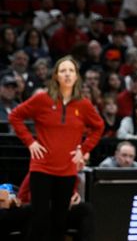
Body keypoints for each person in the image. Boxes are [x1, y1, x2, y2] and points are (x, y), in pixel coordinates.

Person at [8, 56, 103, 241]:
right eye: (63, 71)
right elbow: (15, 116)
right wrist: (30, 142)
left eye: (71, 71)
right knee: (39, 219)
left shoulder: (83, 105)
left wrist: (83, 150)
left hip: (67, 170)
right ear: (56, 76)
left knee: (61, 220)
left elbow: (99, 127)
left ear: (76, 77)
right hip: (41, 168)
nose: (67, 74)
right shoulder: (42, 99)